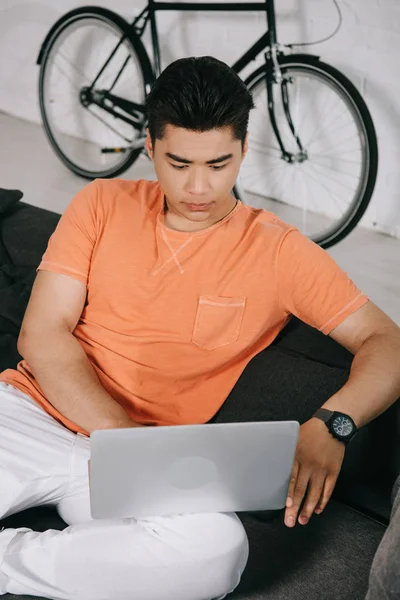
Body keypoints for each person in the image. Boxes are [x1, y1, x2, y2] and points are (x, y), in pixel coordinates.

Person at [0, 55, 399, 600]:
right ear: (149, 145)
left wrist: (333, 425)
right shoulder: (100, 204)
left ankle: (11, 562)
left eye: (218, 163)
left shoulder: (281, 252)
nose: (198, 187)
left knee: (214, 551)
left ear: (243, 148)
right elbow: (42, 335)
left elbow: (387, 341)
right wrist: (123, 442)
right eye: (179, 162)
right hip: (32, 414)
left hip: (152, 456)